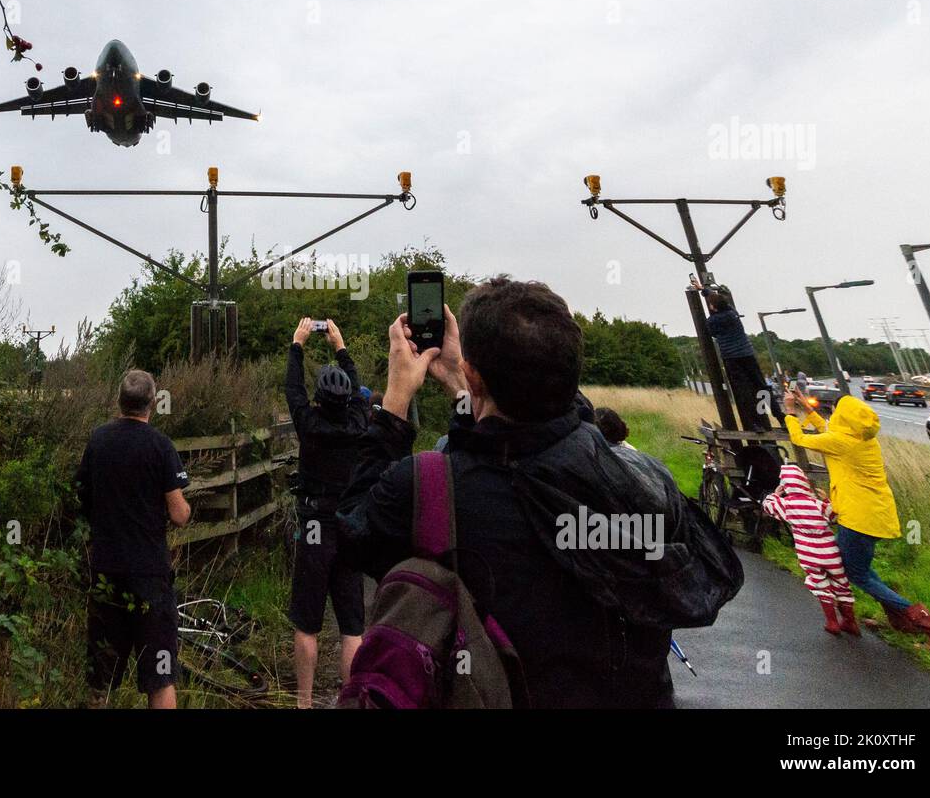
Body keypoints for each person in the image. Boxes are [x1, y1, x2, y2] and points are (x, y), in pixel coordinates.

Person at [338, 278, 743, 708]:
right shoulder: (641, 477)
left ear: (475, 375)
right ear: (571, 370)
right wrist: (467, 385)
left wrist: (396, 400)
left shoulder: (431, 486)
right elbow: (533, 437)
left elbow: (353, 530)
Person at [784, 389, 930, 650]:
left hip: (858, 518)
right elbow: (826, 432)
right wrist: (806, 410)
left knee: (858, 574)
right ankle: (900, 621)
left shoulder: (842, 443)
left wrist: (789, 411)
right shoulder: (862, 437)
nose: (832, 417)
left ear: (844, 420)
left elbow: (798, 438)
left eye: (836, 414)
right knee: (863, 571)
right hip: (873, 514)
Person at [76, 369, 192, 708]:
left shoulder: (98, 440)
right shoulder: (160, 445)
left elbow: (82, 495)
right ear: (152, 404)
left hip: (106, 572)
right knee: (160, 675)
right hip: (149, 577)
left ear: (119, 401)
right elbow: (179, 514)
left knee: (101, 677)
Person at [286, 317, 372, 708]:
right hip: (349, 527)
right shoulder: (358, 423)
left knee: (307, 622)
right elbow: (357, 392)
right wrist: (341, 344)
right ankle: (349, 701)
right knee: (352, 626)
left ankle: (304, 703)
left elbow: (293, 391)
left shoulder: (309, 425)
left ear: (319, 400)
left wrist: (297, 344)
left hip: (316, 524)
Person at [761, 462, 858, 636]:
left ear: (786, 485)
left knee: (820, 584)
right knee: (841, 583)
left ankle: (832, 622)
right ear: (804, 482)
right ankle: (850, 621)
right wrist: (827, 499)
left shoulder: (787, 505)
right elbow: (833, 516)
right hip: (830, 551)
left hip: (808, 554)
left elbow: (768, 507)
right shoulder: (816, 504)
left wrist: (774, 495)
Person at [691, 278, 784, 432]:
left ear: (713, 308)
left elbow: (711, 333)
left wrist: (703, 292)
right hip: (747, 354)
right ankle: (779, 417)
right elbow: (721, 302)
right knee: (761, 387)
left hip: (731, 359)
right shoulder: (732, 313)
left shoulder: (712, 321)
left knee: (743, 392)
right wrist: (704, 289)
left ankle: (755, 424)